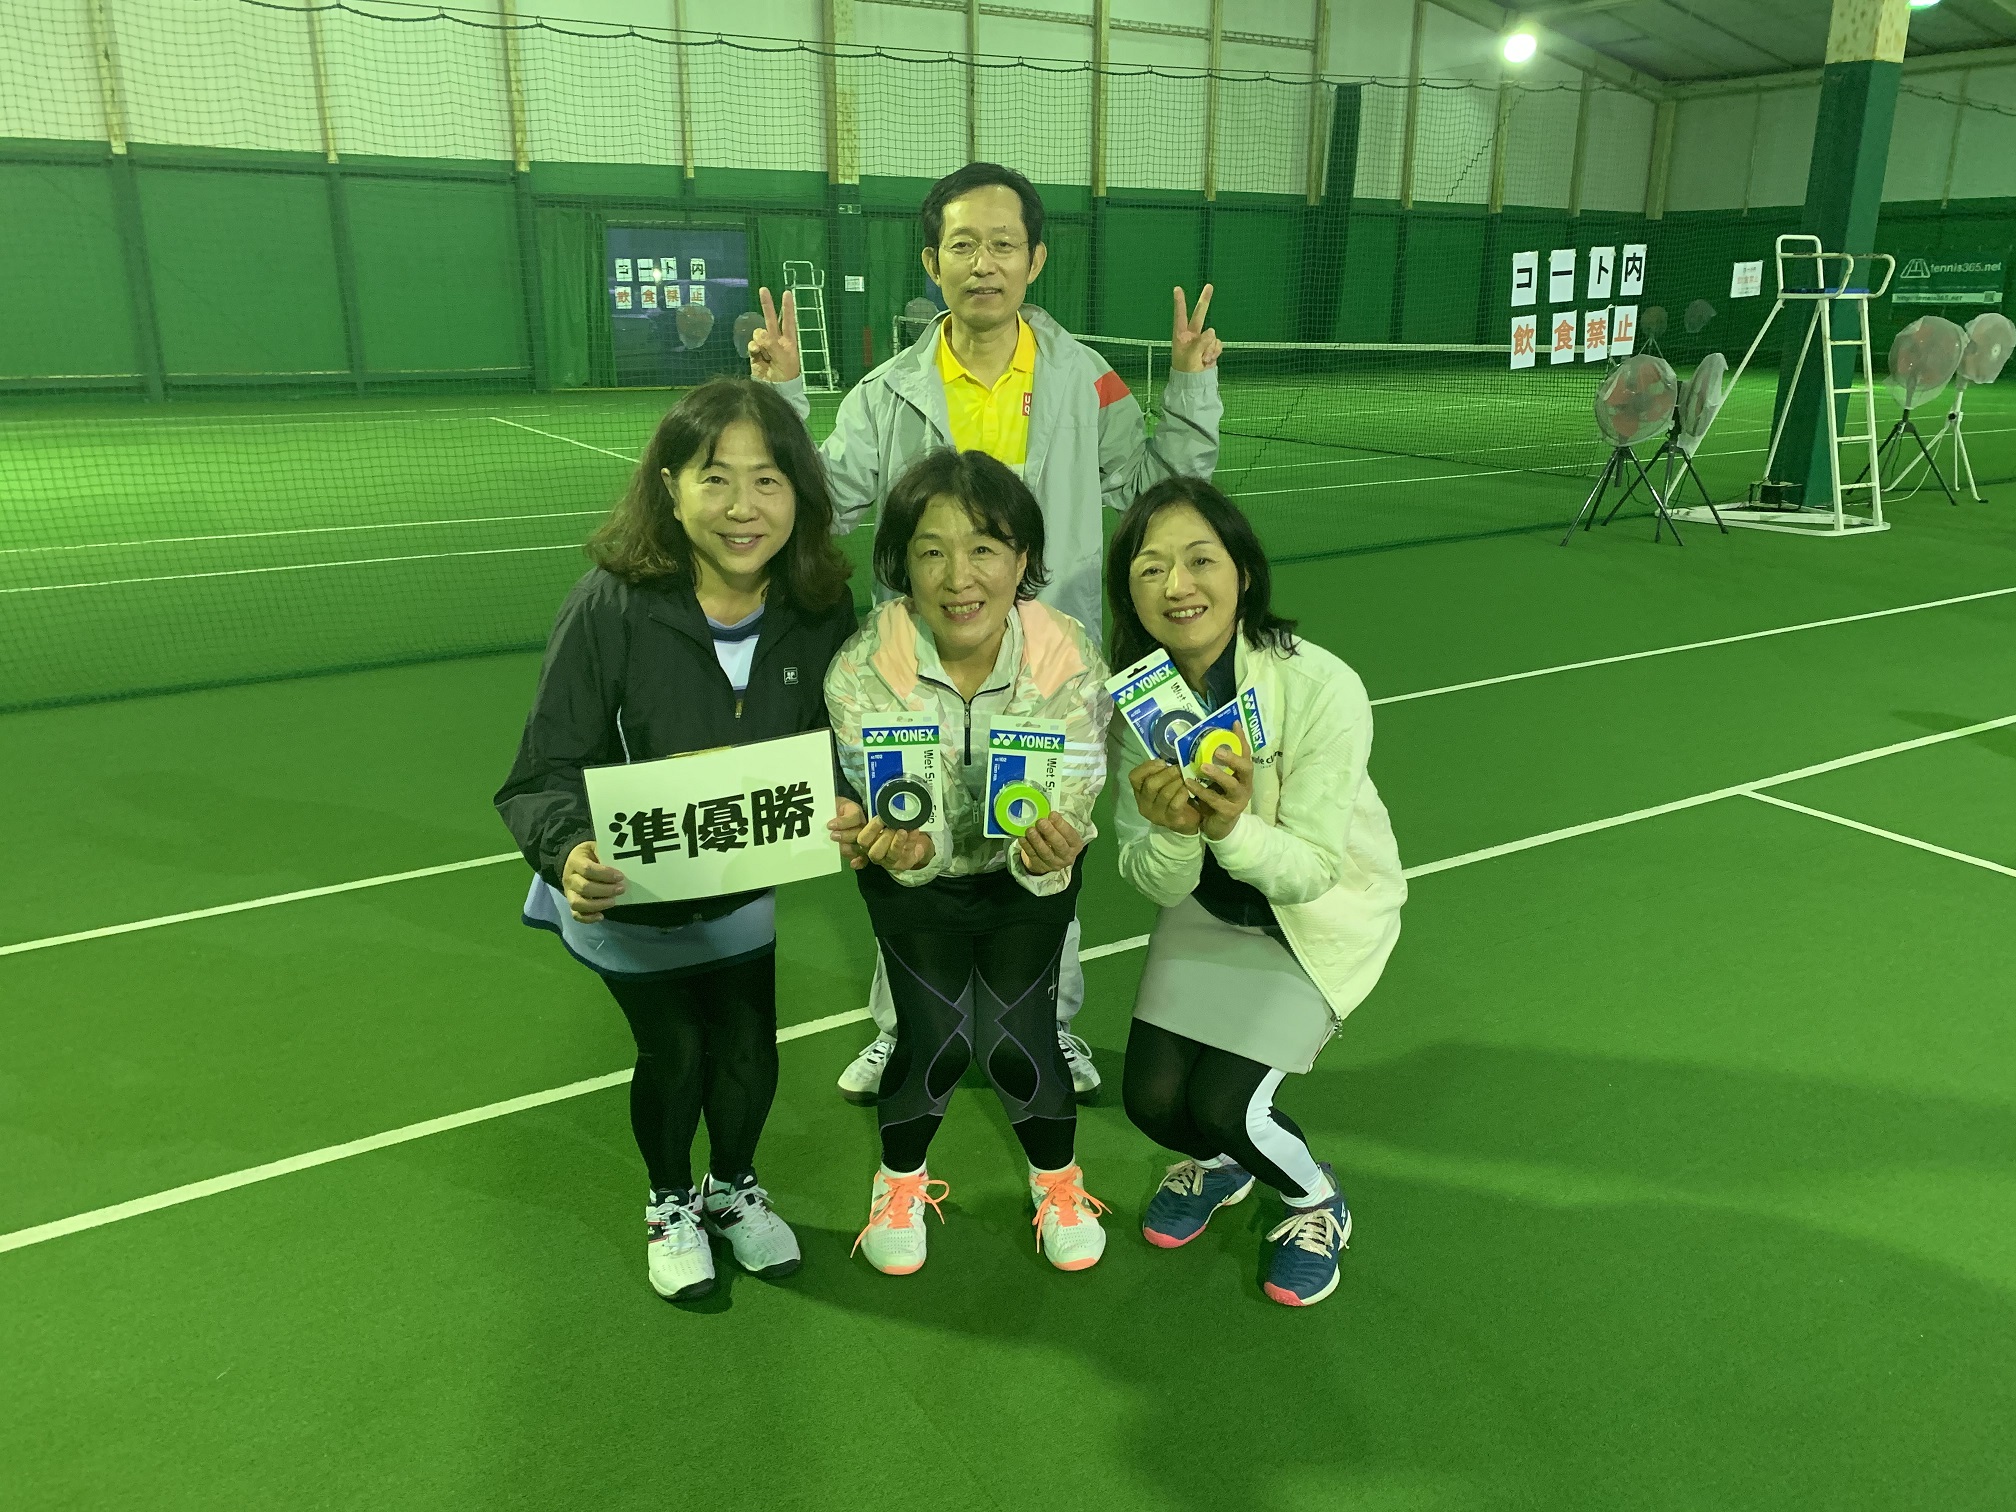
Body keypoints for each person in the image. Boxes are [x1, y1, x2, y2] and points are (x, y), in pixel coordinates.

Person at [749, 161, 1225, 1105]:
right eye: (963, 245)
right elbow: (822, 501)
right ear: (932, 262)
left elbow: (1152, 492)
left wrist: (1190, 388)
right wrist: (785, 400)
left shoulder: (1088, 381)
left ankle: (1051, 1023)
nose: (984, 264)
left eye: (1004, 244)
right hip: (916, 662)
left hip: (1048, 664)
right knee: (906, 826)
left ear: (1035, 260)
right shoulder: (886, 392)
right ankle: (903, 1027)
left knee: (1049, 834)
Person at [495, 379, 856, 1303]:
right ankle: (669, 1202)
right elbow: (542, 771)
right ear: (670, 486)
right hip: (628, 892)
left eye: (768, 479)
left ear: (800, 491)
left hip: (739, 882)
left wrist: (854, 806)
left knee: (748, 1048)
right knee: (679, 1051)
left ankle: (731, 1188)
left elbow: (843, 748)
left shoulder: (820, 607)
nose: (743, 507)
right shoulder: (609, 605)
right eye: (715, 478)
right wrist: (569, 852)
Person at [1105, 477, 1405, 1308]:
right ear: (1129, 591)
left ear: (1243, 571)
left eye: (1200, 560)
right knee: (1153, 1104)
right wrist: (1172, 830)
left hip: (1311, 920)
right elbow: (1147, 873)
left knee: (1226, 1107)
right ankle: (1222, 1170)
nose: (1178, 585)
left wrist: (1231, 826)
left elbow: (1312, 869)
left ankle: (1316, 1200)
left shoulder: (1320, 685)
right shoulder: (1140, 700)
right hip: (1209, 913)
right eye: (1151, 568)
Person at [823, 448, 1111, 1275]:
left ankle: (1058, 1184)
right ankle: (898, 1184)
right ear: (900, 563)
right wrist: (908, 852)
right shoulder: (862, 669)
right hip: (914, 882)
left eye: (984, 547)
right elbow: (890, 810)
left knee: (1021, 1039)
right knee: (936, 1040)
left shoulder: (1069, 654)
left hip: (1029, 878)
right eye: (931, 550)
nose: (959, 578)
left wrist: (1055, 849)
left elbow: (1075, 791)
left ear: (1022, 561)